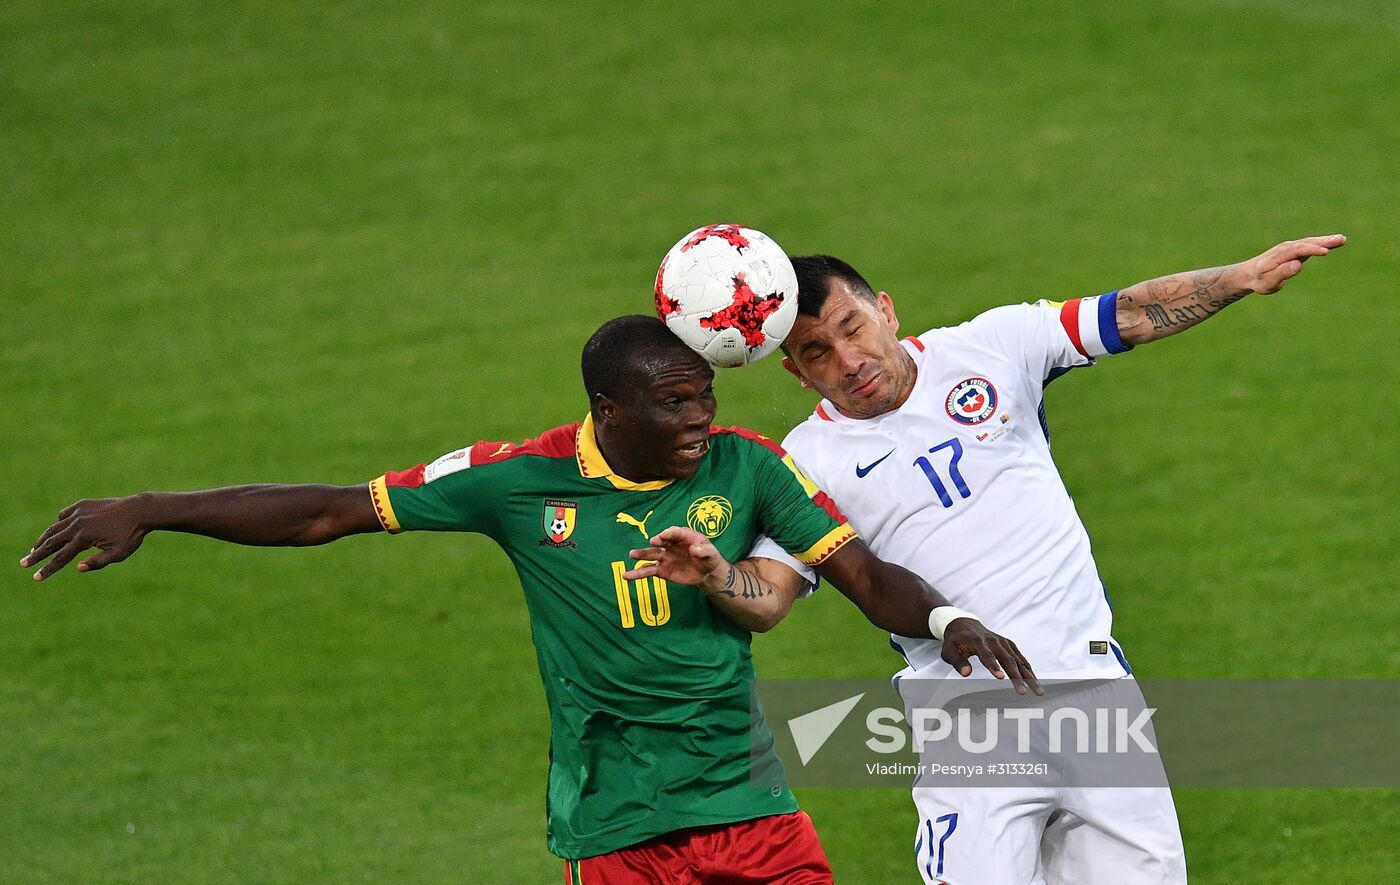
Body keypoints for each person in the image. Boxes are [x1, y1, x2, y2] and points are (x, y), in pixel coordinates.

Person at [20, 314, 1039, 884]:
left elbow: (865, 577)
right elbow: (328, 511)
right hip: (618, 827)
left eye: (706, 396)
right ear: (609, 408)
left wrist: (945, 620)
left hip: (751, 809)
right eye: (674, 403)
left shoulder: (746, 465)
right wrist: (153, 508)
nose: (700, 418)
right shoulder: (516, 481)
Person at [659, 236, 1342, 884]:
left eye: (852, 327)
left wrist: (1240, 278)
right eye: (817, 352)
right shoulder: (806, 462)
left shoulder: (994, 345)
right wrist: (719, 576)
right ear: (797, 372)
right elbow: (771, 595)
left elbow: (1125, 313)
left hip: (1096, 698)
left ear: (886, 310)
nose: (850, 360)